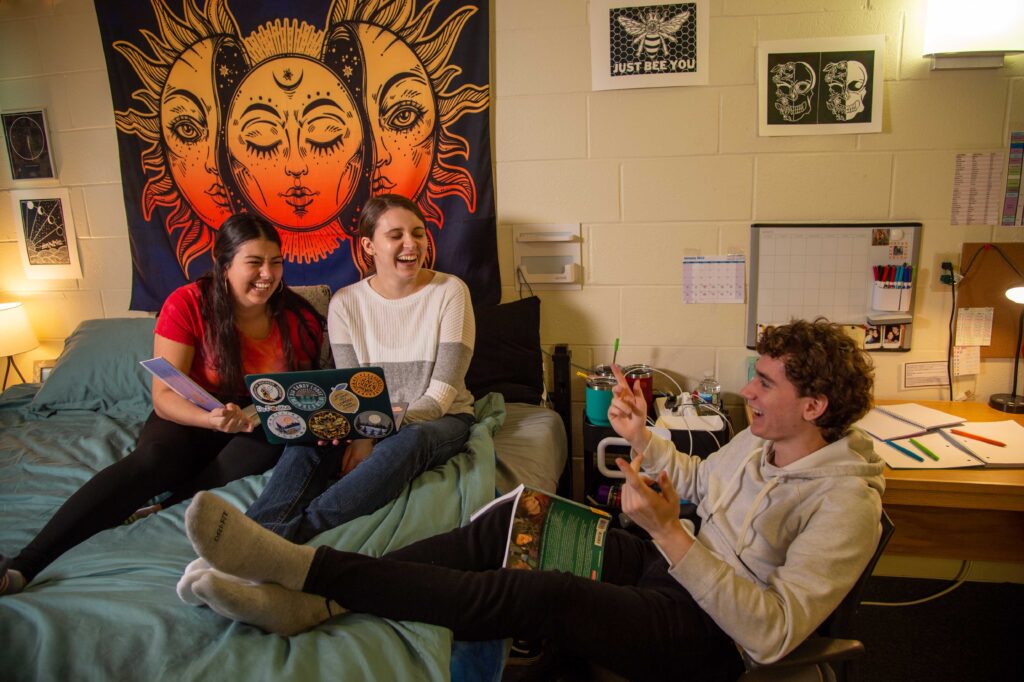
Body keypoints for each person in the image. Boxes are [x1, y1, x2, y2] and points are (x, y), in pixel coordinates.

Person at [176, 319, 884, 681]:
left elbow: (772, 633)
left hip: (708, 640)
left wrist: (672, 536)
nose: (749, 392)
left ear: (815, 404)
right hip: (668, 571)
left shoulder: (844, 503)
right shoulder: (762, 444)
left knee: (539, 595)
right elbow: (699, 487)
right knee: (517, 515)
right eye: (755, 377)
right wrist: (642, 438)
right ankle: (316, 599)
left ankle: (307, 573)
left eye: (765, 384)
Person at [0, 214, 324, 596]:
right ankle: (25, 564)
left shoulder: (298, 316)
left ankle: (165, 505)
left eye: (276, 262)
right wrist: (213, 420)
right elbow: (165, 395)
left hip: (254, 422)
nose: (268, 274)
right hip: (192, 413)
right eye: (254, 262)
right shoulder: (187, 303)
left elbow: (301, 392)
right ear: (224, 263)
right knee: (152, 460)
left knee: (273, 444)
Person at [237, 193, 476, 545]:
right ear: (368, 245)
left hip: (440, 421)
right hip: (368, 422)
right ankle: (248, 537)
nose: (411, 244)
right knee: (310, 438)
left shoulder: (450, 291)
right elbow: (350, 388)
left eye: (418, 233)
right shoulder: (345, 303)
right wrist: (359, 432)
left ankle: (294, 536)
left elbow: (439, 398)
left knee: (410, 442)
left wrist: (371, 432)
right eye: (396, 235)